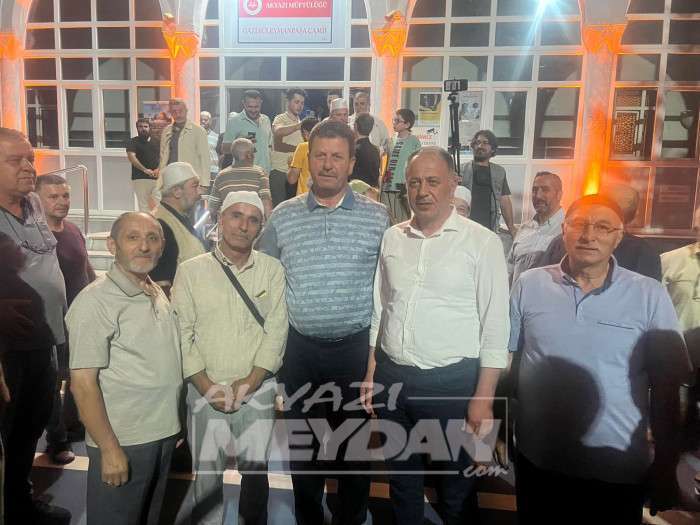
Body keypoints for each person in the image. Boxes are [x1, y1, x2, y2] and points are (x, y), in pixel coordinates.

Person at [509, 194, 690, 524]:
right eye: (579, 224)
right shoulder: (529, 284)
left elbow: (667, 387)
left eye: (603, 227)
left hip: (615, 469)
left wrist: (666, 464)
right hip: (538, 461)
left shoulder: (649, 294)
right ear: (563, 230)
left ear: (618, 237)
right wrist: (499, 427)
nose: (589, 235)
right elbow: (509, 361)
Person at [362, 147, 509, 524]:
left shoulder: (482, 242)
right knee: (401, 482)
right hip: (393, 379)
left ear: (452, 184)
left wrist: (483, 399)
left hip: (452, 385)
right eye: (414, 183)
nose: (422, 191)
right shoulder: (392, 238)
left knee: (457, 488)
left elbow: (496, 326)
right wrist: (372, 372)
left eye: (432, 181)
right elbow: (381, 308)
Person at [259, 120, 390, 525]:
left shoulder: (378, 217)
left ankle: (351, 517)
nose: (328, 164)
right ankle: (309, 518)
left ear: (351, 163)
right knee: (304, 449)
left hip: (355, 351)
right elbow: (263, 277)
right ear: (308, 159)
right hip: (300, 352)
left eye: (337, 157)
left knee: (354, 450)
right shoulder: (283, 217)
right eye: (320, 156)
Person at [172, 191, 287, 524]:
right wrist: (206, 386)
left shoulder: (272, 270)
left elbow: (277, 330)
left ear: (260, 228)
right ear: (220, 220)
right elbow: (182, 332)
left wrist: (251, 381)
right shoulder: (191, 271)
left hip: (257, 389)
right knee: (207, 473)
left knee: (256, 471)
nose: (243, 226)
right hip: (204, 390)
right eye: (236, 215)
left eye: (253, 220)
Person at [68, 212, 182, 525]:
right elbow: (83, 384)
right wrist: (109, 449)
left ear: (161, 247)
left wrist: (174, 424)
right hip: (124, 439)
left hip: (160, 434)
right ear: (112, 245)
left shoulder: (154, 291)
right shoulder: (95, 302)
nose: (144, 246)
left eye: (152, 238)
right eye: (133, 237)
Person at [0, 127, 71, 524]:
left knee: (30, 428)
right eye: (15, 160)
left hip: (44, 341)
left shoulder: (34, 204)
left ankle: (21, 503)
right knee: (5, 433)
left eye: (30, 158)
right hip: (7, 351)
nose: (29, 167)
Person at [36, 174, 96, 464]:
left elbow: (86, 267)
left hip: (81, 320)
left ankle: (74, 425)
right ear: (37, 200)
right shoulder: (36, 239)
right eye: (53, 196)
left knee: (81, 373)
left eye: (65, 196)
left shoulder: (72, 229)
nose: (62, 202)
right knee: (52, 382)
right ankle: (57, 439)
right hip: (52, 323)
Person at [537, 183, 662, 280]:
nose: (589, 237)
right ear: (635, 216)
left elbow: (542, 281)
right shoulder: (644, 252)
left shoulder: (561, 241)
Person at [150, 162, 206, 294]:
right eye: (195, 186)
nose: (200, 192)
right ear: (176, 191)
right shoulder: (160, 225)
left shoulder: (178, 217)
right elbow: (161, 282)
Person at [507, 171, 564, 285]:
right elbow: (509, 270)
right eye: (534, 190)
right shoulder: (524, 229)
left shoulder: (567, 230)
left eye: (545, 190)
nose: (538, 196)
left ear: (559, 195)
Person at [460, 130, 517, 237]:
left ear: (493, 149)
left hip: (489, 231)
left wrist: (511, 228)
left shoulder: (499, 172)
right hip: (465, 229)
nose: (480, 146)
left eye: (485, 143)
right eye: (477, 142)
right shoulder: (461, 169)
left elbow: (504, 201)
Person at [210, 138, 272, 218]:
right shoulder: (260, 173)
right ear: (249, 155)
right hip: (252, 221)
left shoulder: (221, 175)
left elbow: (212, 208)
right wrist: (268, 221)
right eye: (254, 151)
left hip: (228, 222)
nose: (254, 154)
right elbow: (266, 202)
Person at [159, 99, 211, 194]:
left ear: (186, 111)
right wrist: (160, 180)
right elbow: (162, 157)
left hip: (190, 180)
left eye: (180, 111)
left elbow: (205, 158)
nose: (178, 114)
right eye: (174, 111)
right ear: (170, 113)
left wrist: (204, 184)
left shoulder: (198, 131)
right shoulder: (166, 131)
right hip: (170, 179)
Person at [381, 108, 422, 224]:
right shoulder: (390, 140)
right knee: (386, 218)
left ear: (407, 124)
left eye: (397, 121)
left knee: (402, 220)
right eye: (393, 120)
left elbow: (417, 164)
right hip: (388, 186)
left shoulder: (414, 141)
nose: (394, 123)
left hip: (402, 187)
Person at [222, 90, 273, 176]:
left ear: (261, 103)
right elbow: (224, 149)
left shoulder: (266, 120)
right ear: (244, 103)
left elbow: (270, 146)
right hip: (244, 173)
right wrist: (240, 142)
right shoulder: (234, 121)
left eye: (256, 107)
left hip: (265, 173)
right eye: (250, 107)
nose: (253, 110)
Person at [271, 88, 306, 206]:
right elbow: (277, 132)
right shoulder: (281, 118)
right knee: (279, 208)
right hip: (280, 171)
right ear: (288, 102)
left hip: (295, 172)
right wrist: (298, 126)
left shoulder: (300, 121)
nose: (300, 106)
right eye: (297, 102)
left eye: (302, 103)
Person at [125, 118, 160, 212]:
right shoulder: (132, 142)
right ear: (137, 128)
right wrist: (145, 170)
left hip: (157, 177)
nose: (143, 129)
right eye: (140, 127)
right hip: (140, 178)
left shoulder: (157, 141)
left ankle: (159, 221)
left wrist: (159, 169)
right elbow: (131, 157)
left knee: (161, 203)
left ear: (149, 128)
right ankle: (146, 221)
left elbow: (164, 156)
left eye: (145, 126)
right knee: (143, 206)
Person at [348, 91, 390, 157]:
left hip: (374, 159)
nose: (359, 107)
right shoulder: (348, 122)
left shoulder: (379, 123)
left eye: (362, 103)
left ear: (369, 105)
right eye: (356, 104)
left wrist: (378, 151)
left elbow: (387, 144)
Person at [287, 117, 319, 196]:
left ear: (305, 133)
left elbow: (292, 179)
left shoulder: (303, 147)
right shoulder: (329, 146)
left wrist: (290, 165)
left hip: (305, 197)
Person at [351, 113, 381, 187]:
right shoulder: (375, 150)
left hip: (356, 189)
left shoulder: (353, 150)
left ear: (355, 126)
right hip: (371, 190)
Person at [200, 110, 220, 186]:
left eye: (205, 120)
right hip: (200, 170)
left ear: (210, 121)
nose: (203, 122)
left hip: (213, 170)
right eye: (201, 120)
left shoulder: (216, 137)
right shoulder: (195, 136)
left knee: (213, 190)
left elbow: (220, 154)